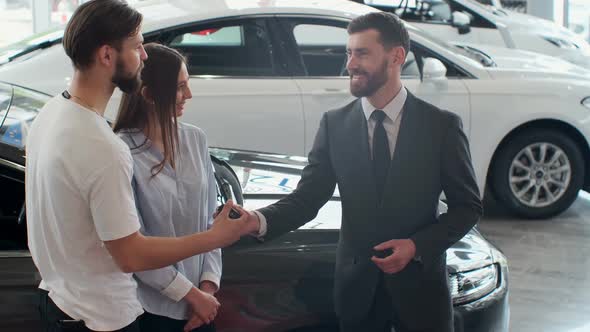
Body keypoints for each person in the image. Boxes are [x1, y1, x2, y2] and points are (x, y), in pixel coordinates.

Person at [25, 1, 258, 331]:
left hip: (63, 303)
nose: (145, 55)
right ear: (107, 56)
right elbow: (131, 256)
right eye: (136, 46)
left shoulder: (50, 114)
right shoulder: (103, 147)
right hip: (101, 318)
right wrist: (216, 237)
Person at [245, 12, 483, 332]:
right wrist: (258, 220)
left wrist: (416, 247)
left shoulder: (441, 126)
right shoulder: (334, 125)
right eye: (349, 52)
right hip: (357, 294)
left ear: (396, 56)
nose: (350, 64)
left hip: (422, 295)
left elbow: (467, 207)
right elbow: (308, 198)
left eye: (362, 53)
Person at [113, 43, 220, 332]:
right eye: (180, 87)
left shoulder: (196, 138)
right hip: (153, 310)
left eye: (188, 84)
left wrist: (207, 289)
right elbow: (135, 245)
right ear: (148, 95)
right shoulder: (122, 151)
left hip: (204, 306)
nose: (189, 95)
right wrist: (191, 295)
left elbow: (211, 221)